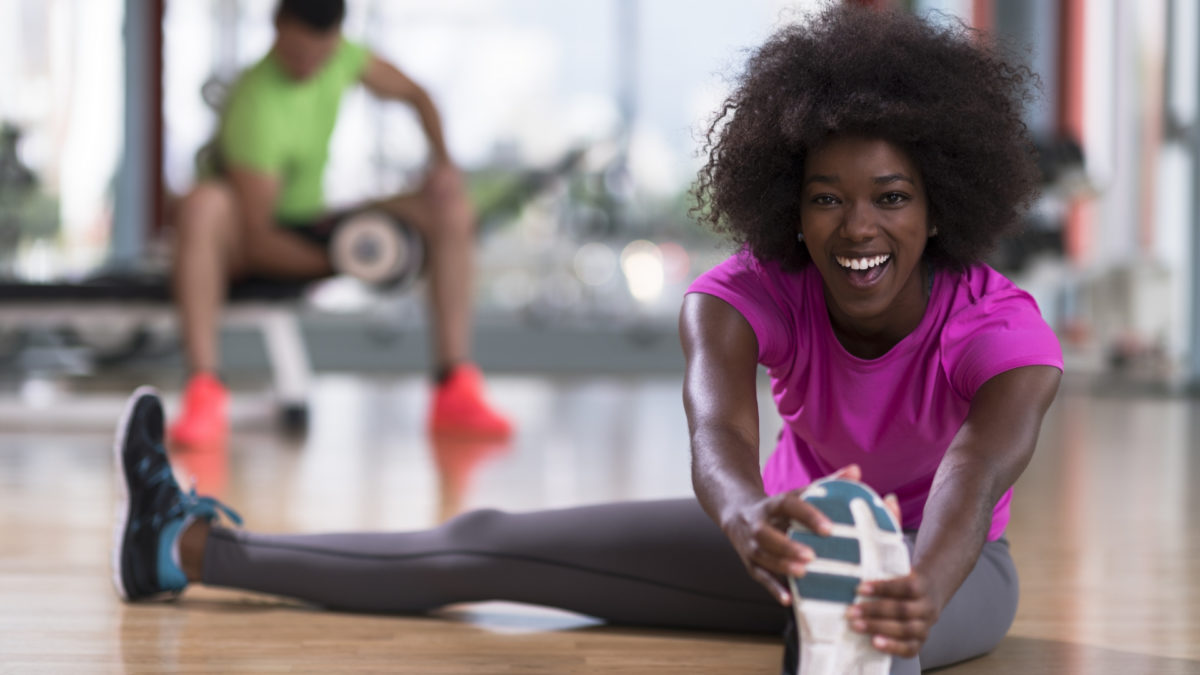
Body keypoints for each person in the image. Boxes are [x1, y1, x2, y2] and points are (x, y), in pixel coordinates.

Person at [115, 6, 1063, 673]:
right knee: (485, 538)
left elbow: (970, 477)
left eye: (891, 198)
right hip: (785, 538)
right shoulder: (741, 296)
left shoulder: (999, 326)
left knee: (858, 636)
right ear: (792, 209)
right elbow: (717, 438)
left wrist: (923, 584)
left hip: (952, 567)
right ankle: (184, 544)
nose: (860, 228)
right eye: (828, 199)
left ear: (940, 205)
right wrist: (747, 525)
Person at [169, 0, 511, 444]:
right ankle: (205, 390)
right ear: (277, 28)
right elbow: (258, 240)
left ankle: (455, 389)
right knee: (204, 203)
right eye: (298, 55)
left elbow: (417, 95)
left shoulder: (345, 56)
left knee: (452, 211)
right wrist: (349, 257)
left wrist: (443, 164)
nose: (310, 65)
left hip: (315, 221)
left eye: (320, 55)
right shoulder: (255, 104)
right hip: (253, 239)